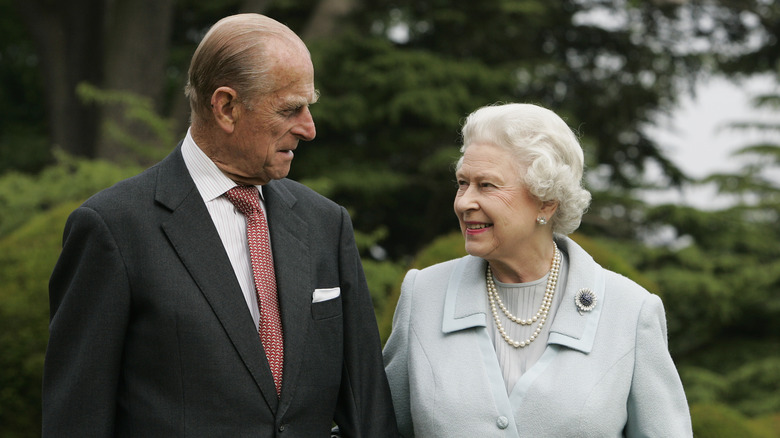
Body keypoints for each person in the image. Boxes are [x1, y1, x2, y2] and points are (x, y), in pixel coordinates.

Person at [43, 13, 397, 437]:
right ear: (226, 107)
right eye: (290, 109)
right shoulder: (113, 229)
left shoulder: (326, 223)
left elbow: (369, 411)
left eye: (309, 107)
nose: (309, 128)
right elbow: (76, 420)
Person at [383, 103, 692, 437]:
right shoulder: (423, 294)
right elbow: (376, 428)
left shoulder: (630, 312)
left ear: (546, 201)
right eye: (462, 183)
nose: (463, 202)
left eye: (486, 185)